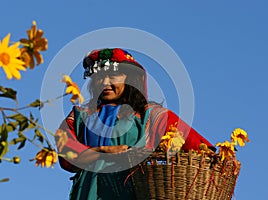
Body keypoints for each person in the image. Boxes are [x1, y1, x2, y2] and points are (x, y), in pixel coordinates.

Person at [55, 48, 215, 200]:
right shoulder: (81, 116)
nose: (105, 82)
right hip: (89, 193)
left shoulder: (153, 115)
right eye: (99, 77)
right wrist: (103, 151)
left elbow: (201, 149)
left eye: (113, 76)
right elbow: (67, 155)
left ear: (130, 78)